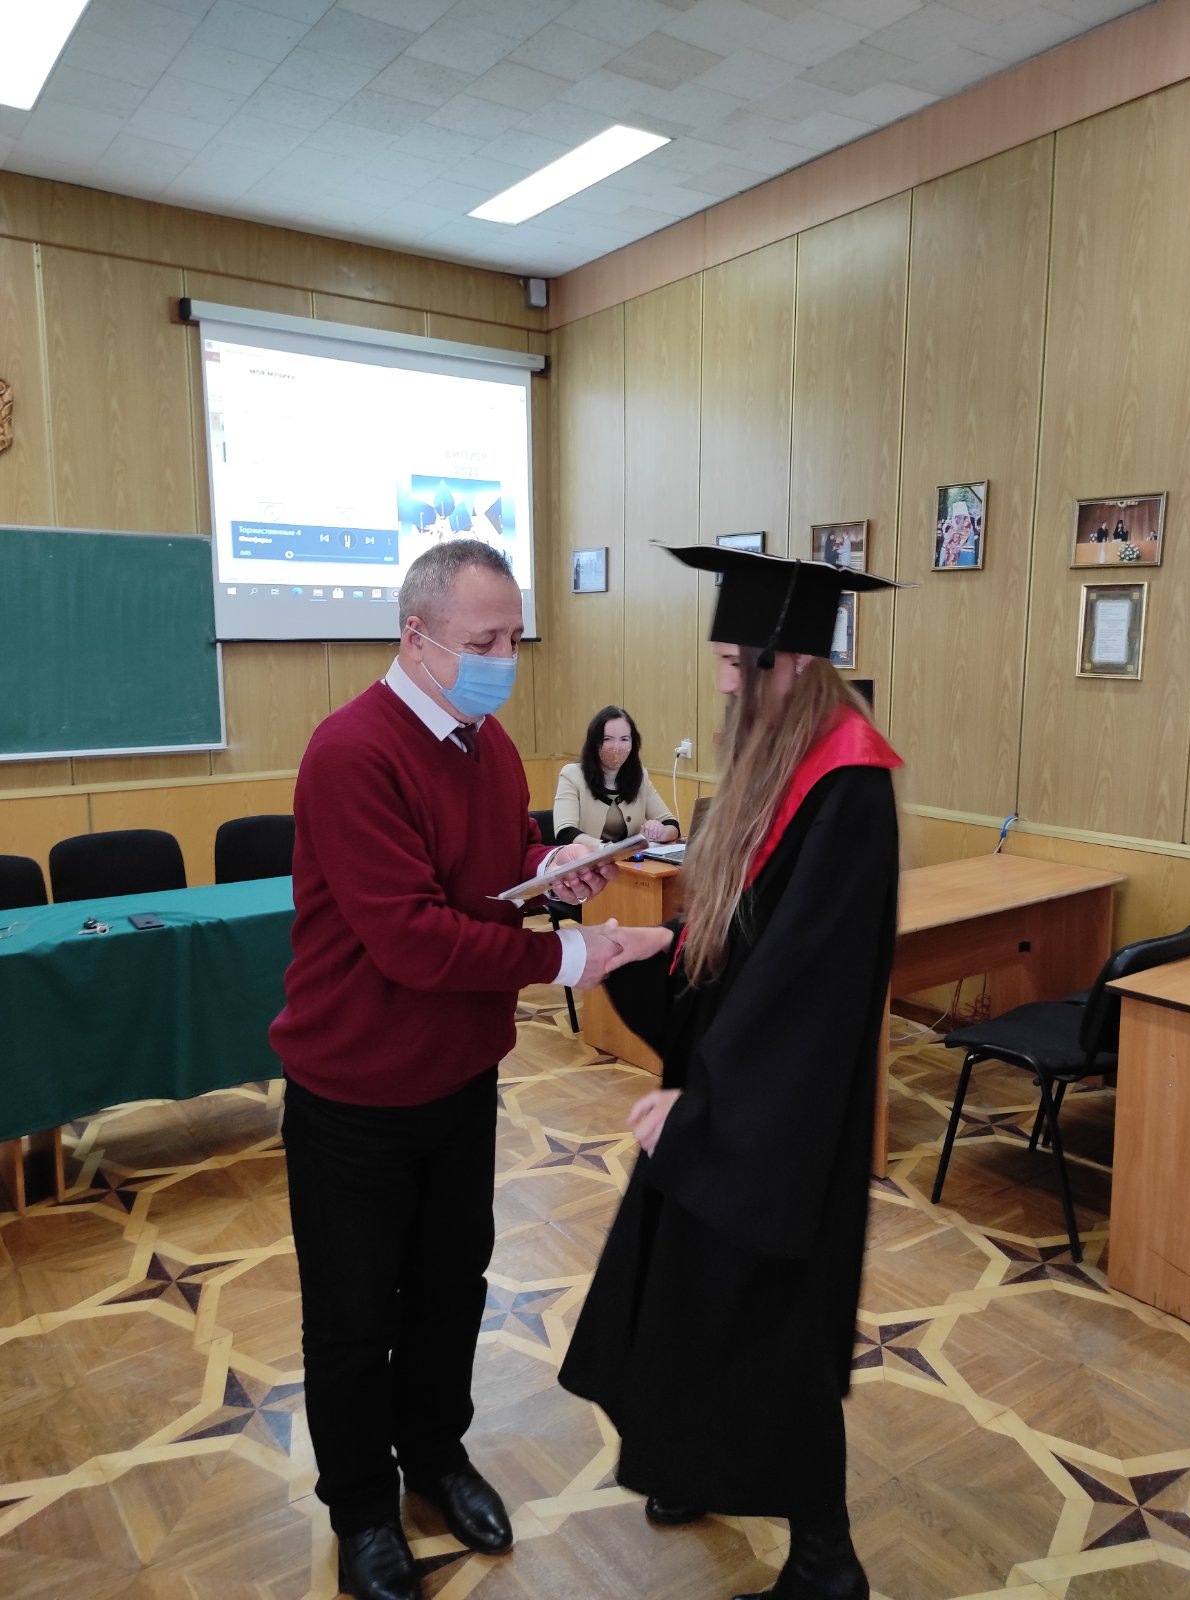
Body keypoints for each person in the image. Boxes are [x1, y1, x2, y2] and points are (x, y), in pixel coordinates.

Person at [272, 540, 621, 1600]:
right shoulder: (351, 751)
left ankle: (434, 1455)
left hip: (461, 1076)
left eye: (514, 637)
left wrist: (553, 870)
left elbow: (492, 872)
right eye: (484, 640)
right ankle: (361, 1511)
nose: (504, 658)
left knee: (448, 1288)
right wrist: (568, 956)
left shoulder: (489, 743)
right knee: (350, 1320)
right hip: (354, 1090)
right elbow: (414, 939)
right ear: (415, 636)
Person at [559, 544, 904, 1600]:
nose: (720, 683)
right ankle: (690, 1461)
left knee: (771, 1325)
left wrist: (709, 1109)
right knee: (687, 1297)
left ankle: (824, 1559)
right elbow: (751, 943)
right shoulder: (780, 758)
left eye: (730, 662)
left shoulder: (847, 782)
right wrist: (653, 949)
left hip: (780, 1125)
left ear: (784, 660)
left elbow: (808, 990)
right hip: (736, 1098)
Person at [553, 705, 680, 847]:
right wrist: (605, 848)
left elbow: (671, 823)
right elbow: (565, 831)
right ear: (594, 742)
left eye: (624, 739)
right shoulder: (571, 775)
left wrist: (661, 832)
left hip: (630, 859)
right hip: (587, 858)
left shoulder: (640, 775)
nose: (617, 747)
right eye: (607, 739)